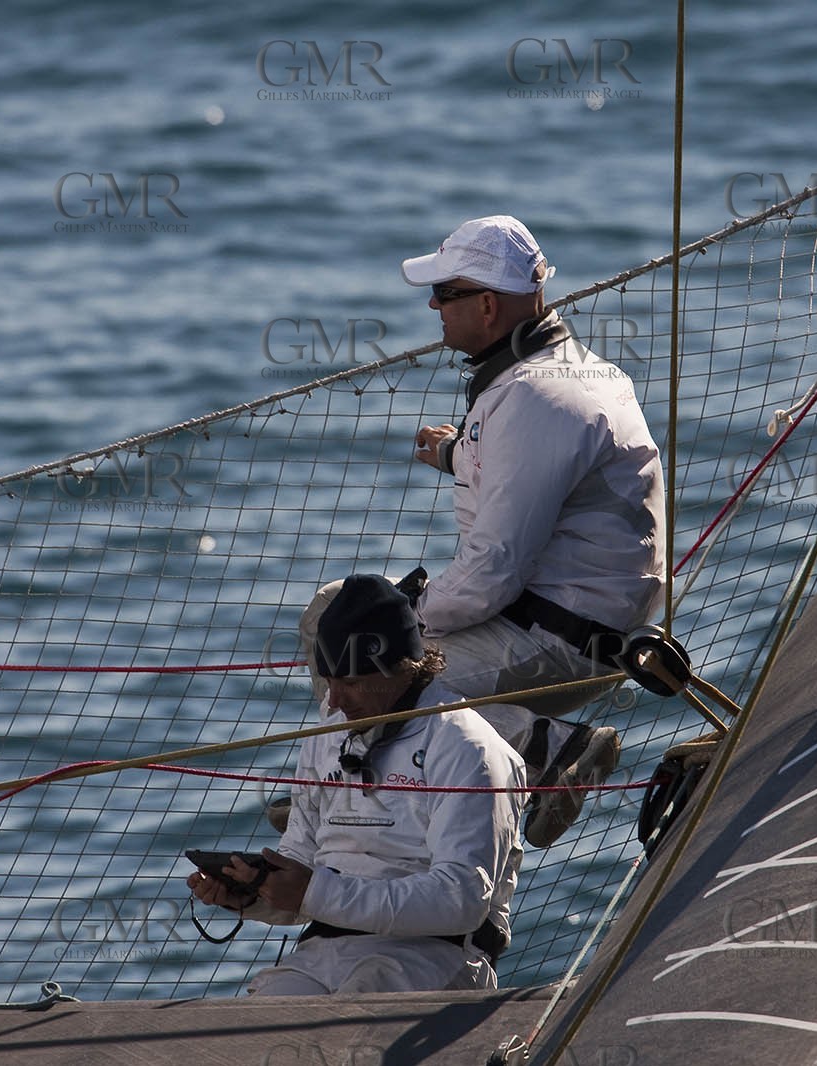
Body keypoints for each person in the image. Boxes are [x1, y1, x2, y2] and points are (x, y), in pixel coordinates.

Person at [299, 216, 665, 849]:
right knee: (330, 613)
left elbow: (493, 570)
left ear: (488, 305)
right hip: (569, 611)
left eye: (444, 294)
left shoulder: (537, 400)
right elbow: (541, 478)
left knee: (372, 669)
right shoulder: (565, 372)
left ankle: (549, 750)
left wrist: (413, 616)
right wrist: (457, 454)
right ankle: (338, 777)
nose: (434, 308)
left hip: (563, 638)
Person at [191, 573, 525, 995]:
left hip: (434, 955)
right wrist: (251, 894)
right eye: (328, 681)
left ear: (401, 667)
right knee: (248, 1032)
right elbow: (300, 861)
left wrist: (316, 893)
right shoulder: (327, 735)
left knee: (351, 1022)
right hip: (321, 954)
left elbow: (461, 900)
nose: (333, 701)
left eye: (349, 683)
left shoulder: (467, 748)